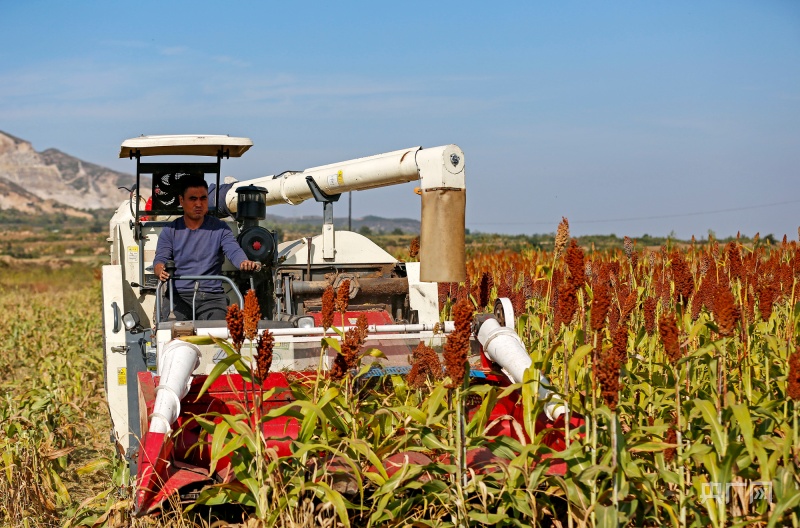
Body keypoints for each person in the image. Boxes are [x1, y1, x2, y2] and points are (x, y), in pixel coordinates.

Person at [153, 174, 259, 321]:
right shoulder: (170, 230)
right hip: (178, 297)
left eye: (203, 198)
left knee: (219, 332)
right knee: (171, 331)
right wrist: (160, 270)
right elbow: (160, 259)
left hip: (212, 297)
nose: (198, 204)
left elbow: (233, 250)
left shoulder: (220, 228)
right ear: (181, 201)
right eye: (193, 199)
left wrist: (243, 262)